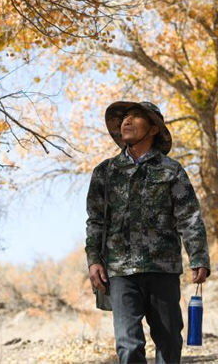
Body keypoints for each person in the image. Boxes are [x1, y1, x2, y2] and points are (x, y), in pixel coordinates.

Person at [85, 101, 210, 364]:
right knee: (128, 346)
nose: (126, 122)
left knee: (169, 341)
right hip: (119, 272)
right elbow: (95, 220)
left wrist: (198, 257)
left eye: (135, 117)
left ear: (153, 128)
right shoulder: (104, 172)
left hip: (162, 269)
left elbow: (189, 217)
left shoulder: (171, 170)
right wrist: (94, 260)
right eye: (123, 118)